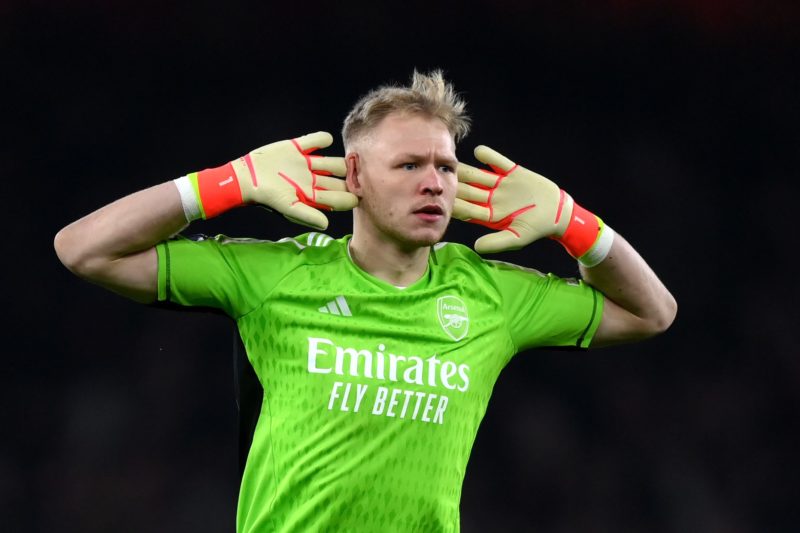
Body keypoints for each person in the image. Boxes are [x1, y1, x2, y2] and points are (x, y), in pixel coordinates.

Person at [54, 70, 677, 532]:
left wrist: (576, 224)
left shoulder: (492, 294)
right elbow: (84, 249)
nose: (434, 181)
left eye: (445, 166)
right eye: (408, 165)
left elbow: (652, 312)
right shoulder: (276, 275)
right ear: (354, 178)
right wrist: (228, 183)